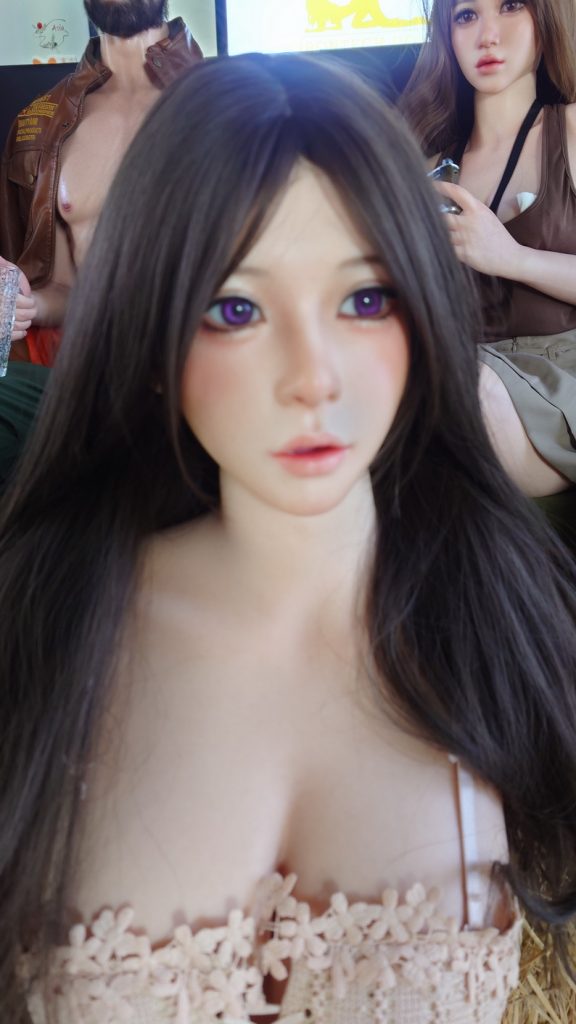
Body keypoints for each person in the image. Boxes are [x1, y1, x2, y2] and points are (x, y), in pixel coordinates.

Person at [1, 53, 576, 1024]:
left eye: (365, 299)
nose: (314, 377)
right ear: (149, 336)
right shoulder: (38, 621)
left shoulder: (513, 629)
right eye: (236, 309)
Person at [400, 0, 576, 504]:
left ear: (544, 19)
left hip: (558, 375)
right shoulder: (427, 163)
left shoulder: (570, 131)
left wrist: (511, 257)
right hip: (458, 369)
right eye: (466, 16)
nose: (487, 35)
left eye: (510, 6)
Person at [0, 0, 203, 366]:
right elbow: (67, 289)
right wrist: (27, 305)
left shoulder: (231, 105)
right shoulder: (44, 124)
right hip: (94, 373)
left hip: (199, 369)